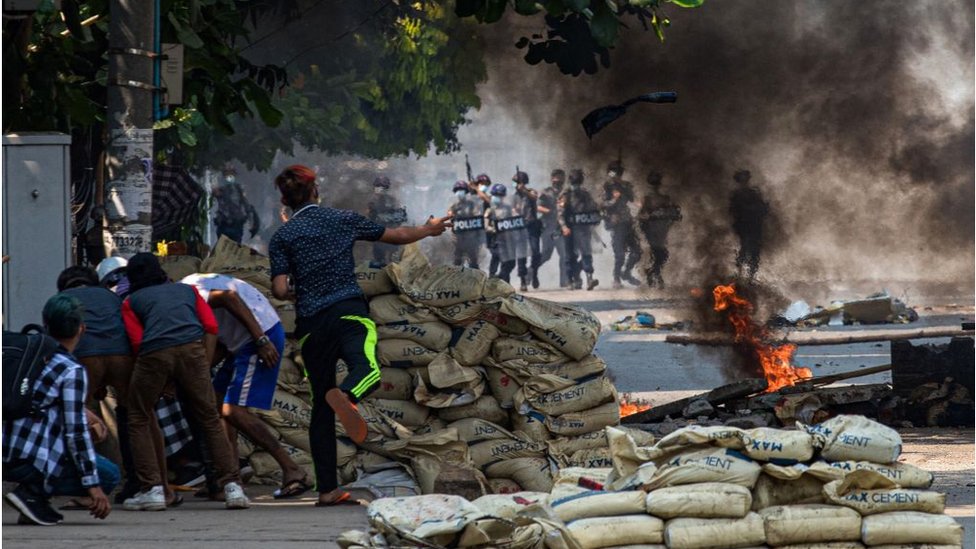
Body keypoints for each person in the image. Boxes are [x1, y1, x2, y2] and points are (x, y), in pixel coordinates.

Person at [268, 164, 451, 506]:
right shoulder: (340, 219)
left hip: (311, 326)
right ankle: (349, 395)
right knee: (367, 369)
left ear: (285, 199)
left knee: (320, 410)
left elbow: (279, 289)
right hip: (349, 313)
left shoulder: (283, 236)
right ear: (315, 190)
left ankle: (327, 489)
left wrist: (298, 286)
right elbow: (395, 236)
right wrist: (429, 229)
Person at [121, 253, 249, 511]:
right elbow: (211, 326)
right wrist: (202, 363)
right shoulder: (188, 291)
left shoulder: (131, 302)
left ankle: (153, 489)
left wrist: (161, 378)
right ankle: (232, 487)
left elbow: (137, 342)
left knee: (138, 417)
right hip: (193, 351)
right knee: (210, 418)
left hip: (153, 354)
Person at [181, 272, 311, 498]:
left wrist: (260, 340)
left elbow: (229, 297)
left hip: (257, 339)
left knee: (233, 411)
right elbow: (215, 336)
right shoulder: (191, 286)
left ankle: (293, 470)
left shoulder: (189, 292)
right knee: (215, 404)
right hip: (243, 342)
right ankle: (229, 478)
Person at [56, 266, 176, 507]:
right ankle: (161, 487)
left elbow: (58, 343)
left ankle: (89, 490)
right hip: (122, 355)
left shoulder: (61, 301)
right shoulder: (111, 296)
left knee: (80, 418)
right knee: (140, 417)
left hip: (85, 356)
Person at [3, 294, 118, 526]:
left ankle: (34, 497)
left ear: (45, 325)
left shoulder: (22, 354)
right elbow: (75, 432)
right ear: (81, 329)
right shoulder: (69, 369)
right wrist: (92, 485)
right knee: (108, 474)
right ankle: (33, 491)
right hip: (23, 458)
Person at [637, 171, 682, 288]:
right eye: (653, 183)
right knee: (660, 254)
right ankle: (655, 275)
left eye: (656, 183)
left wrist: (674, 214)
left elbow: (674, 213)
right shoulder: (646, 198)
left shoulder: (665, 198)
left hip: (662, 230)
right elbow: (641, 215)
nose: (655, 186)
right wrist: (649, 217)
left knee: (661, 255)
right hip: (652, 231)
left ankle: (652, 273)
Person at [558, 169, 600, 291]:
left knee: (586, 253)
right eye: (574, 182)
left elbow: (592, 208)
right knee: (570, 255)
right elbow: (560, 214)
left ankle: (589, 278)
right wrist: (564, 227)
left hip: (583, 228)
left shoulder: (585, 194)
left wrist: (594, 219)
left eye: (578, 182)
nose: (576, 185)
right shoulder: (565, 195)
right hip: (569, 230)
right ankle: (570, 279)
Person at [602, 160, 642, 289]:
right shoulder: (606, 187)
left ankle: (626, 273)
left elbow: (633, 199)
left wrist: (639, 204)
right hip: (616, 223)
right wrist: (614, 199)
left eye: (619, 172)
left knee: (637, 252)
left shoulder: (625, 186)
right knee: (619, 254)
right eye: (614, 172)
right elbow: (602, 204)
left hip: (627, 222)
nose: (616, 175)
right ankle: (616, 278)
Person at [484, 182, 530, 288]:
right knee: (497, 260)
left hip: (509, 240)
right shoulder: (490, 210)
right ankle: (493, 281)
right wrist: (495, 229)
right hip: (496, 240)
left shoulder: (507, 208)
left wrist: (519, 217)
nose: (498, 198)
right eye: (496, 195)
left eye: (500, 195)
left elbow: (514, 219)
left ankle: (499, 278)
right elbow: (486, 226)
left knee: (511, 263)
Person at [728, 169, 769, 279]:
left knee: (754, 252)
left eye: (746, 178)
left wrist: (762, 208)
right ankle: (740, 274)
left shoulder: (754, 192)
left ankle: (751, 277)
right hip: (743, 226)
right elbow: (732, 211)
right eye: (742, 178)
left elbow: (763, 209)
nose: (745, 180)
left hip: (754, 226)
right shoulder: (736, 195)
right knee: (744, 250)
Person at [537, 169, 569, 288]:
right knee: (546, 255)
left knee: (564, 255)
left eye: (560, 177)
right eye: (556, 177)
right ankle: (529, 273)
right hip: (548, 227)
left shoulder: (566, 193)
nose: (558, 180)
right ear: (552, 179)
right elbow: (539, 207)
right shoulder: (546, 192)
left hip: (561, 228)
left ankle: (564, 281)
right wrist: (552, 212)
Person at [366, 176, 408, 265]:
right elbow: (371, 217)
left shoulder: (391, 200)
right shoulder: (373, 201)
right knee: (379, 258)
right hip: (379, 235)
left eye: (381, 187)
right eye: (377, 186)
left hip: (390, 233)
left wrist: (382, 217)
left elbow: (400, 216)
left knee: (393, 260)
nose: (378, 189)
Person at [213, 167, 260, 244]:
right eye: (227, 175)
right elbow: (215, 194)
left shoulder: (238, 189)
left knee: (235, 247)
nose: (229, 177)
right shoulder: (221, 190)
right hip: (224, 224)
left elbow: (246, 205)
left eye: (231, 174)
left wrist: (250, 220)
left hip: (236, 224)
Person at [511, 170, 541, 290]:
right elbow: (512, 210)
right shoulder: (513, 197)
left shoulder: (531, 191)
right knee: (521, 255)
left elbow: (534, 197)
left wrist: (524, 190)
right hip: (519, 228)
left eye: (517, 182)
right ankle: (523, 280)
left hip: (532, 226)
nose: (515, 184)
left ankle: (534, 273)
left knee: (536, 252)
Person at [448, 180, 484, 269]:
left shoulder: (471, 204)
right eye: (458, 190)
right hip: (458, 238)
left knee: (473, 260)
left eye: (462, 190)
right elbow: (449, 215)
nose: (460, 192)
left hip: (470, 237)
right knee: (457, 260)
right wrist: (452, 214)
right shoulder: (454, 205)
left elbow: (477, 216)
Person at [471, 173, 500, 277]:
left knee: (495, 252)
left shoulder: (487, 197)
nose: (485, 186)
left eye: (486, 184)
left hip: (487, 229)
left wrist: (477, 189)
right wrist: (472, 189)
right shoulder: (470, 196)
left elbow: (489, 200)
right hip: (473, 229)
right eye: (482, 183)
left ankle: (492, 273)